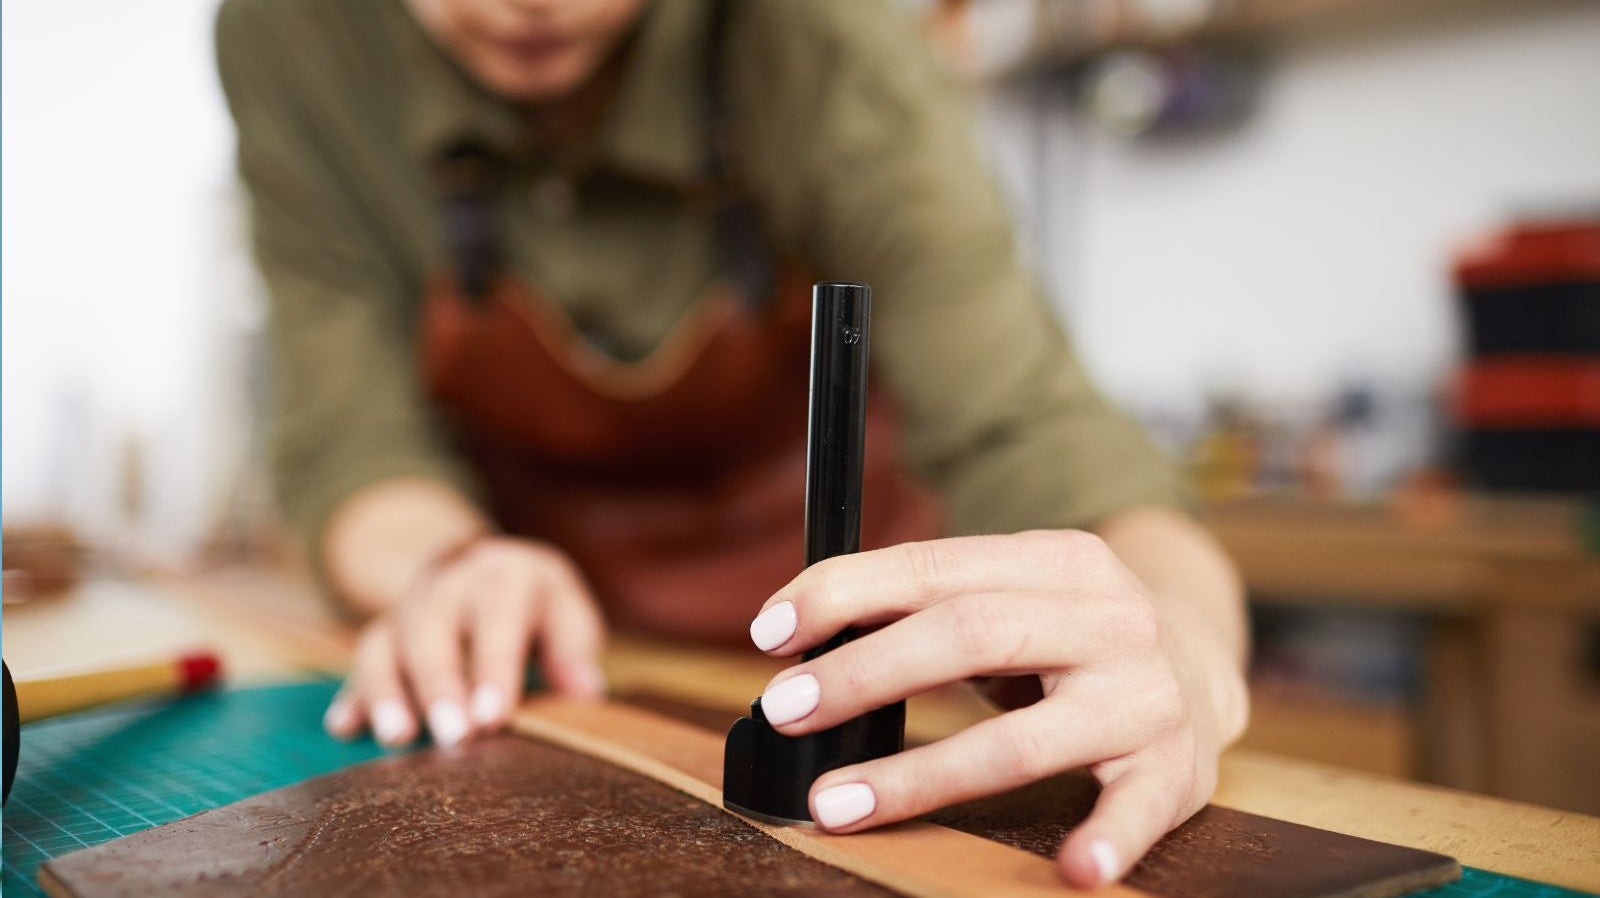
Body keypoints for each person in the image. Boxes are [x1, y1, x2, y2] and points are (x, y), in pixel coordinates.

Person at [216, 0, 1248, 887]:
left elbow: (1034, 432)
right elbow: (352, 444)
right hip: (567, 685)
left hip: (867, 698)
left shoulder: (828, 42)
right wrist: (448, 566)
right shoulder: (295, 35)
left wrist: (1186, 645)